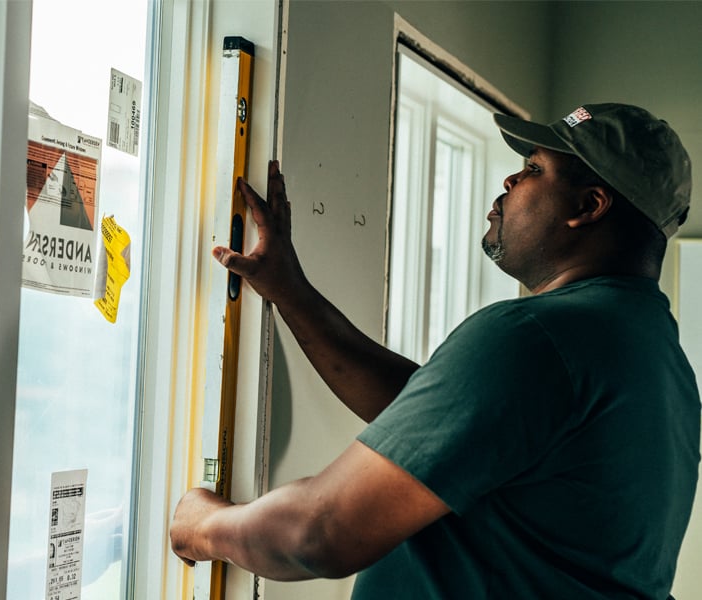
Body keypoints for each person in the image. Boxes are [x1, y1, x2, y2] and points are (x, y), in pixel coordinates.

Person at [169, 103, 701, 598]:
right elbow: (440, 425)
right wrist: (291, 291)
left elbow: (320, 532)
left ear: (588, 206)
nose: (511, 179)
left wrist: (204, 526)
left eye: (535, 170)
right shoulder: (648, 352)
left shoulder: (537, 338)